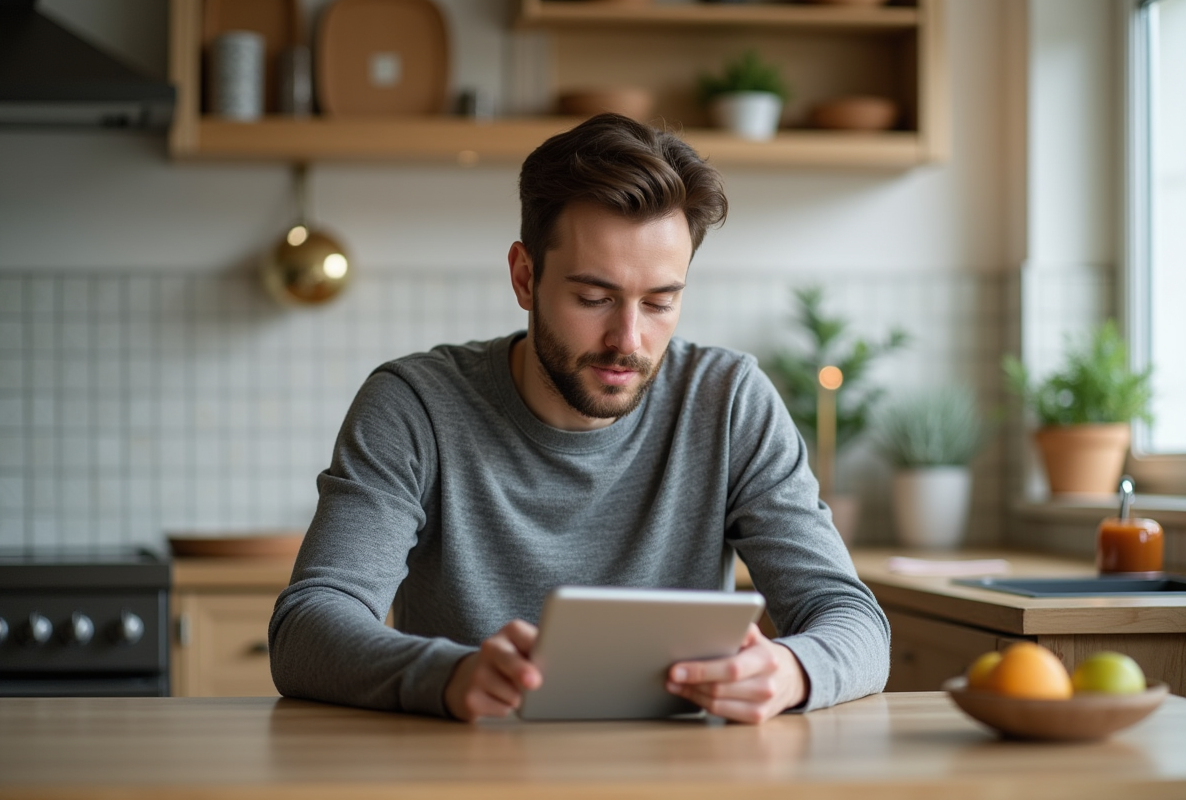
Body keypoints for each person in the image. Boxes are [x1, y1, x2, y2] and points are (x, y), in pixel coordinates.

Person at [268, 113, 890, 724]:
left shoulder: (728, 402)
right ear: (524, 276)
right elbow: (307, 627)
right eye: (594, 298)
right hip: (470, 774)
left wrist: (791, 672)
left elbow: (851, 618)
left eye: (659, 302)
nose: (629, 339)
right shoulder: (415, 406)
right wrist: (447, 674)